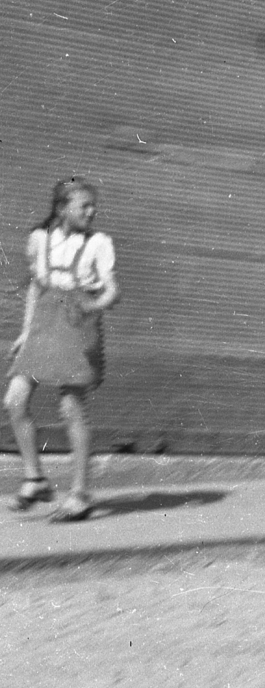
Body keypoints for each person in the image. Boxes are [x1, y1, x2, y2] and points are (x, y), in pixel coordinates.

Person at [6, 178, 120, 522]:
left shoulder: (99, 243)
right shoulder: (41, 240)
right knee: (15, 399)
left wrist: (94, 305)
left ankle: (80, 494)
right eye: (84, 206)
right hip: (43, 324)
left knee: (71, 408)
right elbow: (35, 289)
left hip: (77, 326)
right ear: (62, 209)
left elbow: (113, 291)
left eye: (92, 205)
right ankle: (35, 478)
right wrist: (26, 332)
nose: (92, 211)